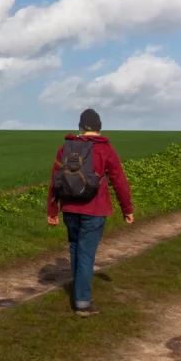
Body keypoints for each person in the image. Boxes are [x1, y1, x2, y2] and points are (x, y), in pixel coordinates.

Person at [47, 109, 134, 317]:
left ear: (80, 127)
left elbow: (55, 180)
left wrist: (52, 210)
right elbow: (119, 181)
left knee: (76, 249)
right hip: (95, 209)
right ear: (99, 127)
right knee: (86, 255)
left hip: (69, 207)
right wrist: (127, 209)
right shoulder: (106, 149)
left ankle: (79, 291)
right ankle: (83, 302)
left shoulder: (65, 147)